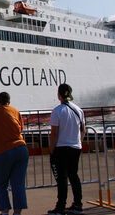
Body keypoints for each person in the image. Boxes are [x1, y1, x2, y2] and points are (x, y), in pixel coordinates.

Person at [0, 92, 29, 215]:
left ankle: (5, 211)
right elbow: (21, 128)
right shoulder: (15, 110)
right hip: (21, 149)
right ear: (9, 102)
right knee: (18, 184)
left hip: (2, 151)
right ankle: (17, 212)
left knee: (1, 184)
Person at [48, 84, 86, 215]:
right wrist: (78, 143)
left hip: (61, 148)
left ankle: (60, 207)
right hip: (75, 148)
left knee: (62, 179)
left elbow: (54, 133)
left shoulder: (57, 111)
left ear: (59, 95)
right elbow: (83, 130)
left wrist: (51, 150)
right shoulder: (79, 110)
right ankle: (78, 204)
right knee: (74, 176)